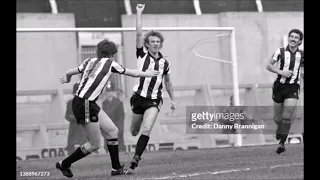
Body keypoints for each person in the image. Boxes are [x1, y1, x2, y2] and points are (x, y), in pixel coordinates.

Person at [55, 39, 159, 178]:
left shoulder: (89, 61)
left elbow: (69, 72)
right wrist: (148, 73)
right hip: (84, 103)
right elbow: (133, 73)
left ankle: (116, 168)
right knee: (94, 144)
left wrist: (67, 78)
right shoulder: (111, 64)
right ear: (112, 54)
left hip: (87, 102)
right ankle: (64, 164)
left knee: (112, 131)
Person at [129, 4, 176, 170]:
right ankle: (136, 148)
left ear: (160, 44)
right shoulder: (142, 54)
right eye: (152, 42)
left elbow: (168, 83)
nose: (155, 44)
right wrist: (139, 13)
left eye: (158, 42)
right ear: (147, 44)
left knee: (147, 128)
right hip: (138, 98)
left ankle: (136, 158)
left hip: (154, 100)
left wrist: (173, 100)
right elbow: (139, 33)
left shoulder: (165, 63)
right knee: (134, 131)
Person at [266, 29, 304, 154]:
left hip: (293, 87)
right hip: (279, 87)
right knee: (278, 118)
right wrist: (281, 72)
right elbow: (269, 65)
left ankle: (282, 143)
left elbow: (302, 71)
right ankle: (279, 128)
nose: (293, 39)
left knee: (287, 117)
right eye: (291, 36)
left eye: (296, 38)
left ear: (300, 41)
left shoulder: (302, 54)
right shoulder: (280, 51)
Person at [65, 83, 87, 156]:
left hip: (83, 130)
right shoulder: (69, 103)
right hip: (73, 129)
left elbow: (87, 116)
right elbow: (67, 116)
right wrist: (76, 117)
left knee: (84, 149)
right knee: (71, 150)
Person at [102, 87, 126, 152]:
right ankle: (107, 150)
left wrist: (120, 126)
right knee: (107, 137)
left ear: (113, 92)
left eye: (111, 91)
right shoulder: (104, 103)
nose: (109, 93)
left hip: (116, 123)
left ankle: (121, 149)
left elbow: (121, 116)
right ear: (106, 93)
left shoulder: (118, 102)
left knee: (118, 137)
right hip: (107, 123)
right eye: (108, 92)